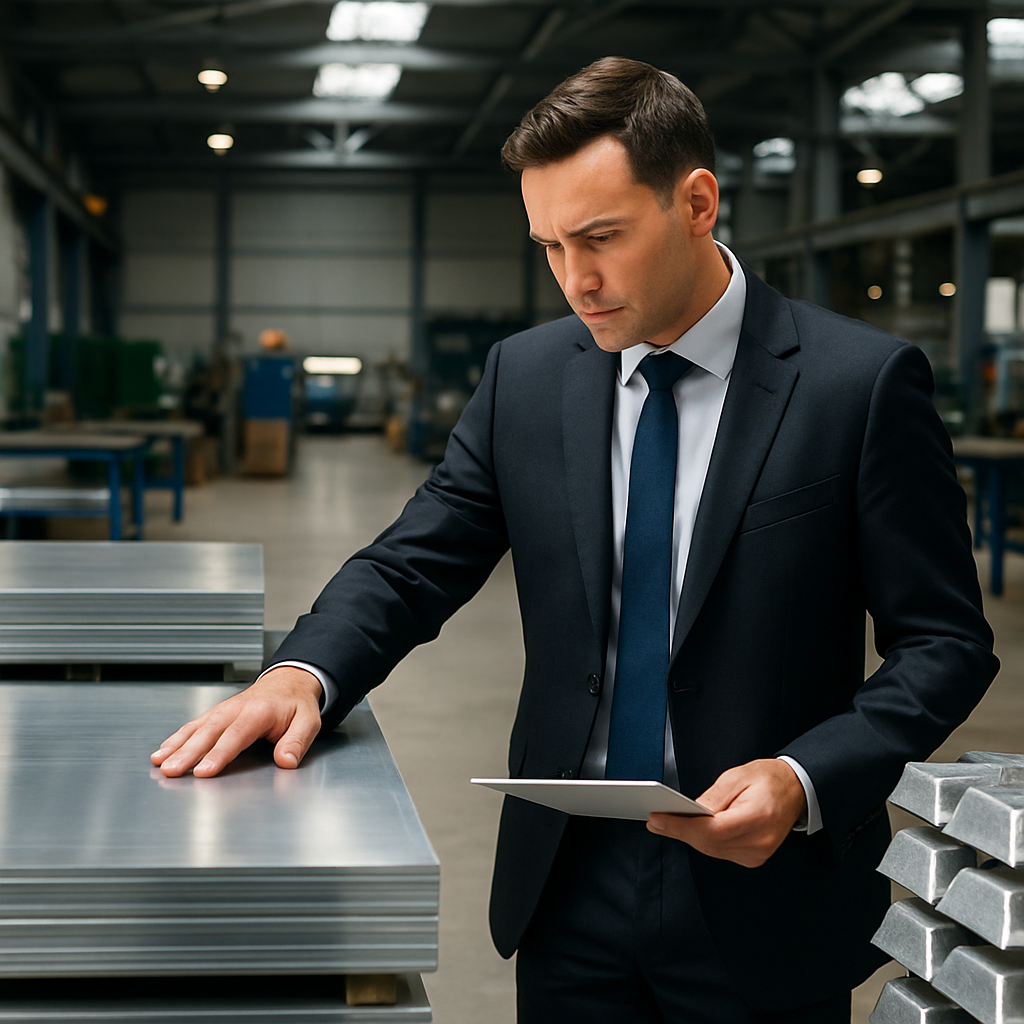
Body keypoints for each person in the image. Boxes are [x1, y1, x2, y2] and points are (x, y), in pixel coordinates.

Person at [153, 57, 999, 1023]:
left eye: (600, 238)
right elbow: (414, 561)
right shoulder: (529, 376)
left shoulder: (859, 385)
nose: (575, 281)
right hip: (566, 881)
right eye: (550, 246)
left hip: (764, 885)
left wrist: (806, 777)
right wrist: (301, 673)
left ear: (697, 202)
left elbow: (944, 644)